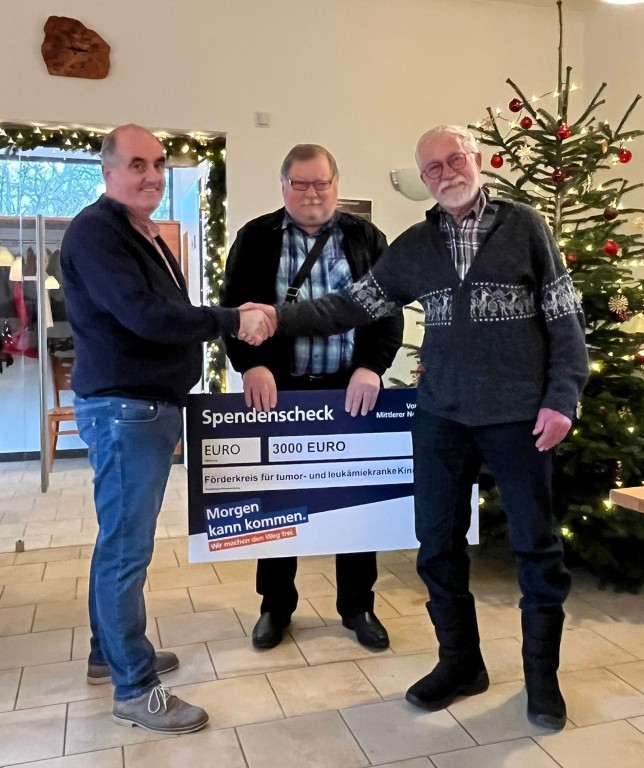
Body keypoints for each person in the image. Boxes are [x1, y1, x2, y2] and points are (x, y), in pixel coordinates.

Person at [257, 126, 589, 731]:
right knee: (436, 545)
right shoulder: (416, 245)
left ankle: (542, 680)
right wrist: (275, 318)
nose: (445, 173)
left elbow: (564, 316)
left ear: (477, 160)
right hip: (441, 416)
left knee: (536, 548)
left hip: (519, 416)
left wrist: (562, 397)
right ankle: (460, 663)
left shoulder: (525, 227)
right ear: (424, 179)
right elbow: (351, 305)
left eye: (454, 159)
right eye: (432, 167)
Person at [61, 124, 274, 734]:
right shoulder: (98, 232)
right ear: (108, 171)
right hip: (126, 410)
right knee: (126, 549)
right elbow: (147, 316)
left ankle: (108, 653)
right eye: (137, 164)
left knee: (119, 541)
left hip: (143, 407)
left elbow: (165, 313)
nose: (152, 175)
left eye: (158, 163)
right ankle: (134, 688)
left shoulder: (138, 231)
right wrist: (233, 319)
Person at [220, 143, 404, 651]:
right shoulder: (255, 237)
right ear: (283, 186)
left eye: (321, 182)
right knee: (278, 503)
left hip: (350, 390)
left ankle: (358, 606)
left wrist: (372, 366)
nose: (311, 193)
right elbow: (233, 309)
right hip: (280, 393)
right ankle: (275, 607)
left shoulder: (366, 238)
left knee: (355, 502)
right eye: (299, 183)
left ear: (336, 185)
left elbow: (388, 309)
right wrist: (251, 364)